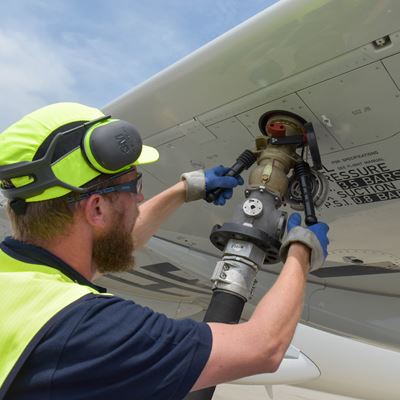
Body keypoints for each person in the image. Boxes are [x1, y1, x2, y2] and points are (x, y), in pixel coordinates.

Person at [0, 102, 329, 400]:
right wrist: (301, 252)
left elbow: (106, 247)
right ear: (96, 209)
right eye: (134, 187)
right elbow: (262, 347)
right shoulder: (88, 330)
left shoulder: (18, 278)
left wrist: (183, 190)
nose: (140, 198)